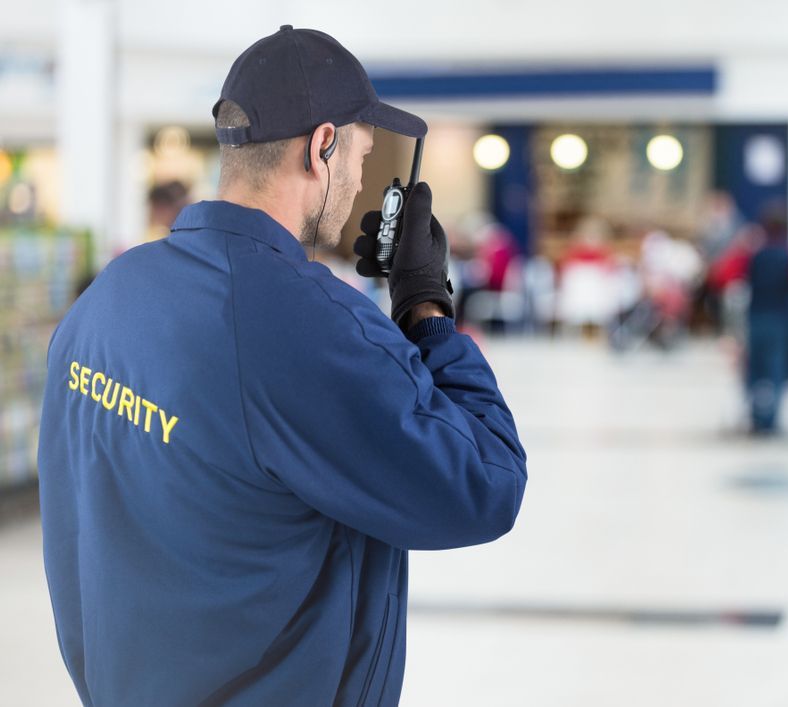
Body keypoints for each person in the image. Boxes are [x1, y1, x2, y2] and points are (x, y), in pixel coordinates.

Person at [37, 25, 527, 707]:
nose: (360, 179)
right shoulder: (312, 324)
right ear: (321, 146)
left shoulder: (106, 298)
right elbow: (487, 483)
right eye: (359, 153)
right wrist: (425, 309)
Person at [709, 203, 788, 433]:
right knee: (777, 369)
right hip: (784, 321)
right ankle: (771, 418)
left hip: (756, 317)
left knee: (754, 370)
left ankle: (757, 416)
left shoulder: (752, 254)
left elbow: (721, 277)